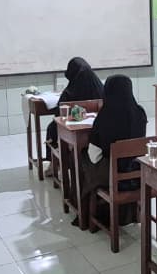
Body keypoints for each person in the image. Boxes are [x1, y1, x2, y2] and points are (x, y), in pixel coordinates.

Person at [80, 75, 148, 226]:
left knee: (82, 157)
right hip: (137, 171)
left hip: (112, 175)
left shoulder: (105, 116)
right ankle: (130, 213)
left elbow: (94, 156)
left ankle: (86, 209)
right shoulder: (140, 112)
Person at [47, 57, 104, 145]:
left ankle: (56, 151)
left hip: (72, 133)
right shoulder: (101, 88)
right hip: (97, 132)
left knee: (51, 128)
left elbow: (59, 114)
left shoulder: (69, 92)